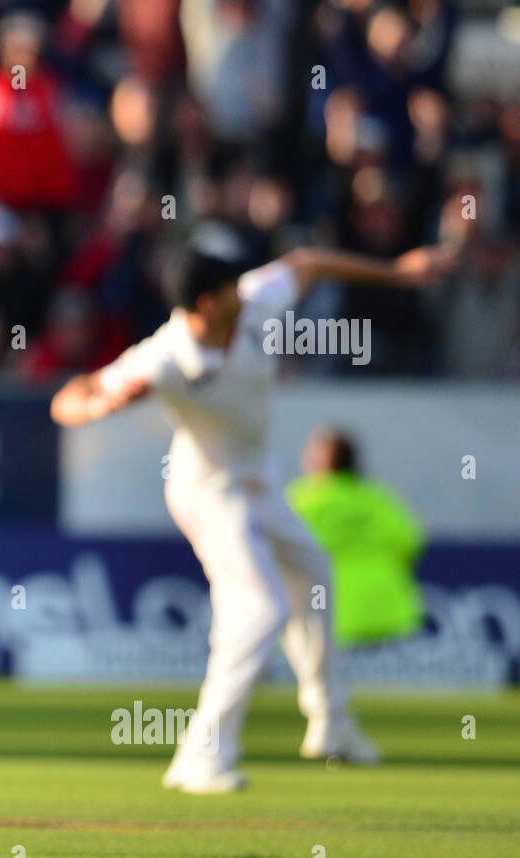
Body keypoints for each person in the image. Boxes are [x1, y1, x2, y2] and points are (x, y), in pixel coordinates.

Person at [50, 223, 454, 794]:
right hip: (209, 491)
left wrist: (398, 272)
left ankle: (330, 723)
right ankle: (201, 757)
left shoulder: (255, 299)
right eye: (233, 292)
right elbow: (67, 399)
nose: (246, 295)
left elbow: (309, 262)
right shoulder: (164, 357)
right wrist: (99, 405)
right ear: (207, 303)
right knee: (261, 610)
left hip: (260, 480)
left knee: (315, 574)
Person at [288, 427, 425, 646]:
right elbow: (409, 542)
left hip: (324, 613)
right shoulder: (376, 498)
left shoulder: (301, 501)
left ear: (321, 461)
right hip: (384, 611)